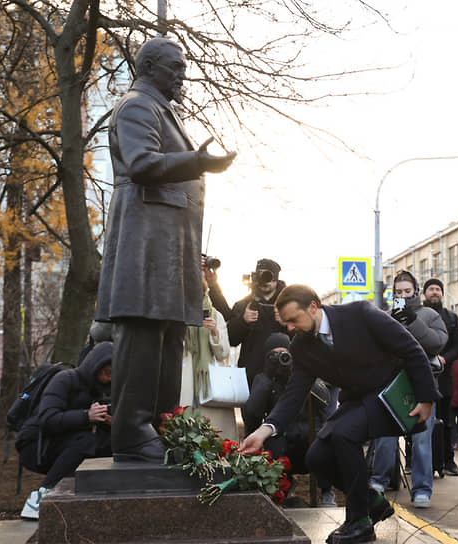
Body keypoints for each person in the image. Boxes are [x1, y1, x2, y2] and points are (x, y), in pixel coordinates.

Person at [95, 38, 236, 463]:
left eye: (184, 66)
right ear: (151, 66)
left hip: (169, 250)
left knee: (169, 339)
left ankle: (159, 424)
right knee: (143, 336)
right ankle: (133, 433)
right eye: (175, 67)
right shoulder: (137, 106)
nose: (183, 74)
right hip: (147, 248)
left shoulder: (161, 109)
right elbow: (141, 164)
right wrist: (198, 161)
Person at [239, 285, 439, 544]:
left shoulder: (360, 314)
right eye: (285, 322)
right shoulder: (301, 346)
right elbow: (293, 395)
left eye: (293, 320)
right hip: (356, 401)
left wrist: (427, 397)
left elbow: (411, 349)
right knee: (317, 458)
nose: (289, 328)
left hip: (387, 394)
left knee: (345, 435)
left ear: (313, 307)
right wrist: (263, 431)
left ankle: (359, 523)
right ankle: (373, 503)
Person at [369, 271, 448, 509]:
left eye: (407, 291)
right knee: (385, 437)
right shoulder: (385, 316)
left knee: (422, 439)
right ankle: (378, 481)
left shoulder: (429, 314)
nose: (402, 295)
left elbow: (437, 343)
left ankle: (422, 489)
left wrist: (413, 320)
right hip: (392, 385)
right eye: (398, 292)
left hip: (422, 385)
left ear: (415, 290)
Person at [17, 342, 113, 519]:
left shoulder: (101, 391)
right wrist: (86, 416)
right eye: (107, 373)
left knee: (107, 443)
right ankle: (41, 498)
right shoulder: (65, 379)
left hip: (61, 444)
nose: (109, 379)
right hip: (35, 444)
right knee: (86, 441)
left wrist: (109, 423)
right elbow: (47, 419)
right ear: (95, 366)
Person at [243, 332, 336, 506]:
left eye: (285, 354)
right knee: (273, 447)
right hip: (283, 441)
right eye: (275, 355)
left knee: (325, 445)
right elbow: (253, 411)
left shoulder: (306, 372)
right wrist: (267, 377)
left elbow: (325, 400)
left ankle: (327, 492)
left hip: (310, 436)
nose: (281, 359)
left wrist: (299, 372)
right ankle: (283, 487)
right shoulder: (263, 379)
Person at [180, 275, 234, 440]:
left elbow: (223, 353)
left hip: (209, 380)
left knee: (212, 436)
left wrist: (214, 333)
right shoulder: (177, 315)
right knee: (185, 431)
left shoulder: (215, 315)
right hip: (184, 380)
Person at [422, 277, 458, 477]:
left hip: (444, 377)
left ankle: (448, 461)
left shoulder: (451, 317)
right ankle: (417, 463)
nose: (435, 292)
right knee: (419, 422)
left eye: (438, 289)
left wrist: (444, 359)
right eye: (431, 289)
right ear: (424, 293)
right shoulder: (417, 315)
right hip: (419, 375)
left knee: (446, 421)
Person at [228, 258, 289, 388]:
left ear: (276, 279)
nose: (264, 281)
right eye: (261, 276)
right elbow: (231, 340)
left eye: (268, 276)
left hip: (283, 373)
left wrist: (287, 323)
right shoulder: (243, 305)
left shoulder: (289, 304)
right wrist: (243, 321)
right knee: (251, 409)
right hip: (251, 377)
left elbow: (304, 337)